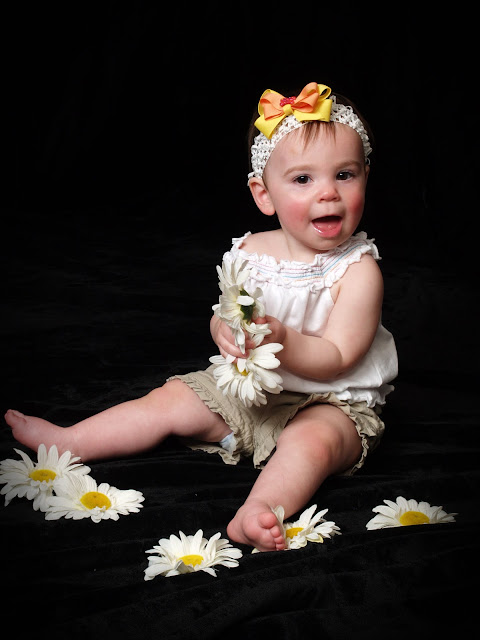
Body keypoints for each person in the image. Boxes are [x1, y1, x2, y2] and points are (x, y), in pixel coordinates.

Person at [5, 81, 397, 552]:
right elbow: (226, 313)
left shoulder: (358, 270)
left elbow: (338, 356)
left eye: (345, 175)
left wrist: (284, 340)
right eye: (302, 180)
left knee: (313, 443)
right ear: (264, 194)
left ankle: (258, 510)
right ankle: (72, 441)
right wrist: (224, 331)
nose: (328, 194)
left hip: (332, 402)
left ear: (366, 177)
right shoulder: (250, 253)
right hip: (253, 392)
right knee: (171, 399)